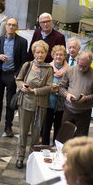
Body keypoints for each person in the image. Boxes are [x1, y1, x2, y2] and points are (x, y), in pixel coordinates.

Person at [0, 18, 28, 137]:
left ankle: (8, 126)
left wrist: (17, 75)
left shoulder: (22, 42)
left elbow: (24, 61)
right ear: (5, 26)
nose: (11, 27)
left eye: (14, 25)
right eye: (9, 24)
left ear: (16, 27)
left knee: (10, 102)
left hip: (12, 74)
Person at [15, 40, 53, 169]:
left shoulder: (49, 69)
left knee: (36, 133)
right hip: (25, 102)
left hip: (40, 104)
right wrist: (22, 86)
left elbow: (49, 87)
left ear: (46, 53)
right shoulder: (27, 65)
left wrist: (34, 91)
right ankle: (20, 157)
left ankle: (33, 159)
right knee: (23, 132)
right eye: (37, 52)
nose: (40, 55)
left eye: (42, 52)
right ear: (33, 53)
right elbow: (18, 79)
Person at [59, 50, 93, 137]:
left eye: (84, 66)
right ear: (77, 61)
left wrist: (87, 98)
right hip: (68, 109)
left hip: (84, 112)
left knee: (80, 139)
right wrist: (67, 94)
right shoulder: (70, 70)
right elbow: (61, 87)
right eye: (80, 65)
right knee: (64, 136)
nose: (81, 68)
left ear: (90, 64)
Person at [41, 45, 68, 145]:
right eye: (56, 54)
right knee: (46, 128)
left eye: (61, 55)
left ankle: (56, 149)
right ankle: (44, 147)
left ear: (64, 56)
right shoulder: (47, 68)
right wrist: (50, 87)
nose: (58, 57)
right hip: (49, 102)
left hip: (61, 104)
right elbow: (42, 83)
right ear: (53, 55)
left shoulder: (69, 70)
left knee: (59, 128)